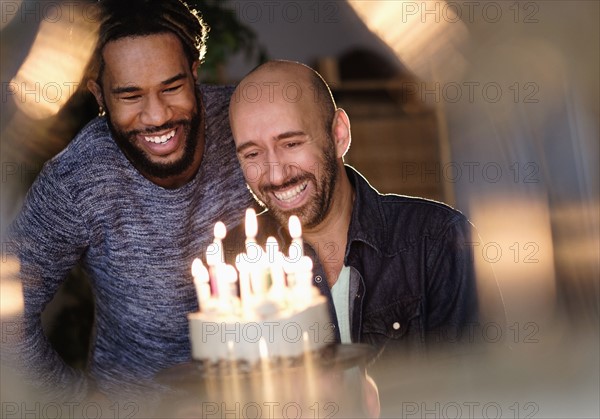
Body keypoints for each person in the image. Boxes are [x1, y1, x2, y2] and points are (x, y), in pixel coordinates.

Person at [6, 0, 253, 401]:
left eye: (171, 87)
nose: (156, 116)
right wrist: (75, 404)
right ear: (99, 95)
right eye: (130, 95)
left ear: (194, 73)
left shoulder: (247, 124)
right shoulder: (77, 180)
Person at [226, 60, 500, 353]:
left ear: (339, 135)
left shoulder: (437, 241)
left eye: (291, 144)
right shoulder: (232, 262)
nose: (276, 174)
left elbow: (485, 388)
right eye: (253, 154)